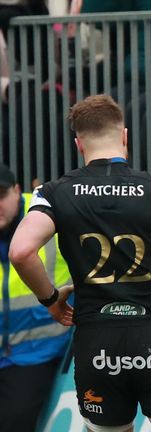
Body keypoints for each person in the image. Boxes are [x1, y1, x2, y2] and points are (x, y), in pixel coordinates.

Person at [8, 94, 151, 432]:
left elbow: (20, 252)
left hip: (97, 344)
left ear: (78, 144)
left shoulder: (54, 193)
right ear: (124, 136)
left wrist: (50, 299)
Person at [0, 164, 71, 432]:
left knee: (13, 422)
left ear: (17, 191)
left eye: (1, 194)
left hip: (37, 350)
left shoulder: (47, 214)